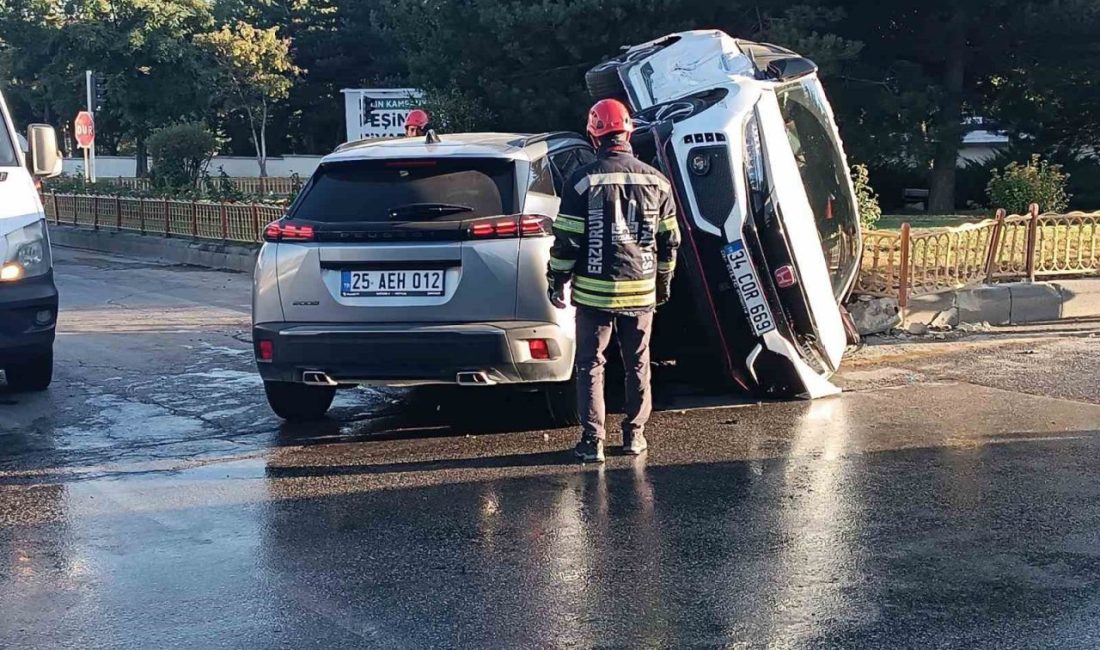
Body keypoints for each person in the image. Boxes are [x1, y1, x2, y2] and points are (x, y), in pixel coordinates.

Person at [547, 98, 681, 463]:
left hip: (593, 293)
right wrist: (663, 282)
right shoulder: (658, 181)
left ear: (594, 135)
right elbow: (669, 241)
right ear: (629, 131)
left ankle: (593, 442)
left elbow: (567, 240)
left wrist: (557, 279)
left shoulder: (581, 181)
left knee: (591, 364)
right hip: (641, 290)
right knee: (638, 362)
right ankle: (635, 436)